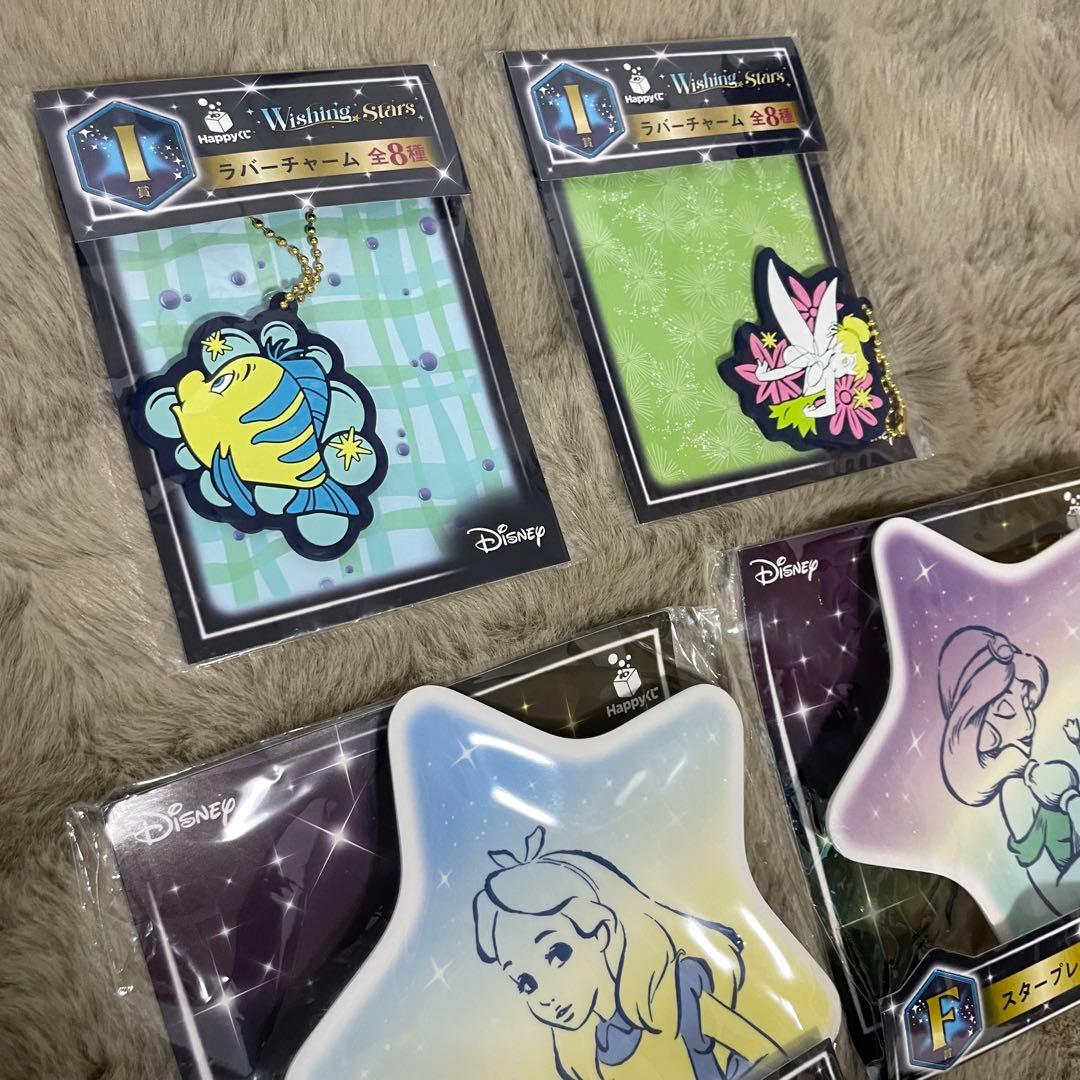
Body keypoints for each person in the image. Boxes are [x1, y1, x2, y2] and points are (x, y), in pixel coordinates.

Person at [472, 827, 785, 1079]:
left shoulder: (675, 989)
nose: (544, 996)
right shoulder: (591, 1049)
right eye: (525, 982)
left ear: (601, 931)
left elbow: (766, 1053)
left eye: (556, 954)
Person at [938, 625, 1080, 917]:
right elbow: (1050, 885)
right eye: (1005, 709)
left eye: (1027, 703)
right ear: (975, 724)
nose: (1028, 725)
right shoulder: (1015, 794)